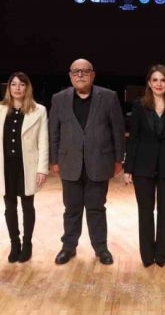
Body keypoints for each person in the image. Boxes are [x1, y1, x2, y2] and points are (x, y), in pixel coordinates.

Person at [49, 59, 125, 266]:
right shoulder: (59, 99)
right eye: (76, 72)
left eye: (85, 71)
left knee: (96, 208)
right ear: (70, 75)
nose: (80, 75)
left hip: (99, 161)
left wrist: (118, 158)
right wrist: (54, 160)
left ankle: (101, 248)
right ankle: (68, 247)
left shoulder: (108, 97)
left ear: (93, 75)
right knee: (71, 209)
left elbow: (118, 130)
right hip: (69, 163)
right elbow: (54, 132)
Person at [124, 64, 165, 267]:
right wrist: (128, 168)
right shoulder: (139, 105)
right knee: (145, 213)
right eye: (155, 80)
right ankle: (147, 255)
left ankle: (161, 256)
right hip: (142, 167)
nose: (159, 84)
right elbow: (133, 138)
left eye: (162, 80)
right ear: (149, 84)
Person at [0, 72, 48, 263]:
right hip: (5, 166)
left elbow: (43, 141)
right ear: (8, 88)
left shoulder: (39, 110)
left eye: (21, 84)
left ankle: (27, 244)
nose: (17, 88)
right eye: (13, 84)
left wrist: (42, 169)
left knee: (28, 206)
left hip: (27, 166)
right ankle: (15, 244)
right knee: (9, 207)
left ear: (27, 87)